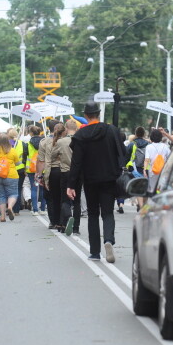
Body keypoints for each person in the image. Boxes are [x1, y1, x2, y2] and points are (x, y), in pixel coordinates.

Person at [67, 102, 125, 263]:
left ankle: (94, 252)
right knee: (107, 213)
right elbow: (123, 152)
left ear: (85, 115)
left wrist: (71, 184)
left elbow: (76, 162)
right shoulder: (111, 130)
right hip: (109, 178)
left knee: (93, 214)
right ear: (98, 113)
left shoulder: (80, 135)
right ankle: (108, 239)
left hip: (90, 179)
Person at [0, 133, 22, 223]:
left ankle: (2, 216)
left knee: (0, 195)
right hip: (10, 175)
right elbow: (17, 163)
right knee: (13, 194)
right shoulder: (12, 150)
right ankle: (10, 207)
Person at [57, 119, 81, 235]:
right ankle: (76, 227)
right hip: (79, 173)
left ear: (66, 129)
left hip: (65, 171)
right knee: (77, 200)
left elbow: (53, 155)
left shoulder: (61, 142)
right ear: (76, 129)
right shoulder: (81, 140)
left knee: (65, 198)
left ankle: (67, 218)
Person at [47, 123, 67, 233]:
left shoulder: (50, 142)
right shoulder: (67, 142)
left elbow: (49, 157)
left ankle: (55, 221)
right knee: (63, 198)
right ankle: (62, 221)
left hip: (53, 171)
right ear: (65, 131)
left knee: (54, 198)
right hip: (64, 170)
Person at [144, 129, 172, 195]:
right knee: (160, 188)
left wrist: (144, 169)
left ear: (151, 137)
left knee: (152, 188)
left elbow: (147, 159)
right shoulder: (165, 146)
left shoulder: (149, 147)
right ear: (160, 137)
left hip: (152, 171)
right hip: (163, 171)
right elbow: (170, 158)